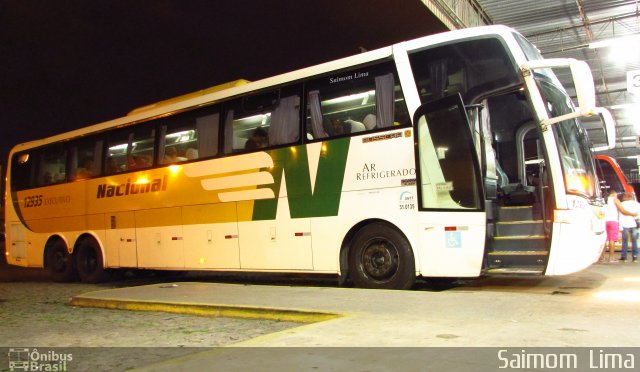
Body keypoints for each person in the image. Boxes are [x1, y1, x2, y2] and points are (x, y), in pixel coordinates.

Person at [603, 190, 634, 263]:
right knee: (612, 240)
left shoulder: (604, 200)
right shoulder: (615, 200)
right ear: (614, 194)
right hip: (613, 221)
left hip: (604, 221)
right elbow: (622, 210)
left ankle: (602, 257)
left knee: (604, 239)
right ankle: (611, 257)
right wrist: (633, 214)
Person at [619, 192, 640, 262]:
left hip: (625, 224)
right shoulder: (637, 204)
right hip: (634, 224)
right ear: (631, 197)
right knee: (634, 241)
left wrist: (620, 226)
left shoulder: (622, 204)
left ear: (625, 197)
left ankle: (624, 257)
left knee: (625, 241)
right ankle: (635, 257)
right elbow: (638, 215)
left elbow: (620, 215)